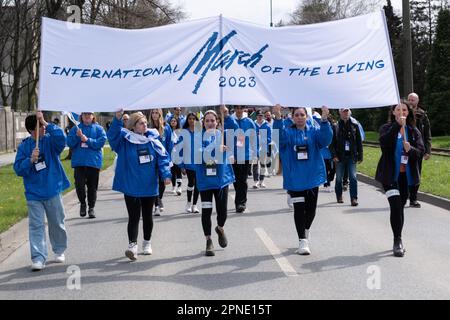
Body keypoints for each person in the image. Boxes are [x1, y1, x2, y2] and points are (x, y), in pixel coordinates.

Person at [107, 110, 171, 260]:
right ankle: (132, 245)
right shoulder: (124, 141)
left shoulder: (153, 140)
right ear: (133, 126)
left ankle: (147, 243)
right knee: (134, 216)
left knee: (148, 216)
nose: (145, 126)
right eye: (141, 123)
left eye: (145, 123)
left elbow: (162, 158)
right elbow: (112, 136)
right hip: (131, 185)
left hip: (149, 185)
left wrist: (166, 175)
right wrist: (117, 119)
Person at [273, 104, 332, 255]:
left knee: (311, 210)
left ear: (307, 117)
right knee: (299, 209)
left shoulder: (314, 131)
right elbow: (277, 138)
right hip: (295, 179)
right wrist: (278, 118)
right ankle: (302, 241)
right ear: (292, 117)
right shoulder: (287, 132)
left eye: (302, 115)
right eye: (297, 115)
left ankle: (305, 230)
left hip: (312, 177)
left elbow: (325, 140)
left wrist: (325, 119)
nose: (299, 117)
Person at [14, 112, 70, 271]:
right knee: (36, 226)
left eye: (43, 126)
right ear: (32, 131)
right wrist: (30, 160)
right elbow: (18, 169)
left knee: (57, 222)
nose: (44, 129)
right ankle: (38, 257)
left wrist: (45, 122)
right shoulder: (24, 147)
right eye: (40, 127)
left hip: (52, 189)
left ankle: (59, 250)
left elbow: (62, 139)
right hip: (33, 194)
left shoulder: (50, 142)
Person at [375, 101, 424, 257]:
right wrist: (397, 126)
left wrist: (411, 149)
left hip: (405, 177)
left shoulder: (413, 130)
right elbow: (384, 144)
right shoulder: (386, 128)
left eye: (404, 109)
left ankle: (398, 235)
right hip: (390, 176)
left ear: (408, 113)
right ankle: (398, 241)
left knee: (400, 207)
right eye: (398, 109)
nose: (401, 112)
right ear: (394, 113)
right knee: (396, 206)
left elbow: (420, 152)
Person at [193, 107, 235, 256]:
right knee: (206, 211)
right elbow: (196, 155)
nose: (210, 123)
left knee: (222, 211)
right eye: (207, 120)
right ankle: (208, 240)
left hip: (221, 180)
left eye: (213, 120)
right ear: (203, 123)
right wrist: (215, 149)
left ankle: (220, 228)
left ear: (217, 122)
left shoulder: (223, 135)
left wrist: (227, 114)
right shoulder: (198, 137)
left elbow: (235, 131)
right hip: (205, 181)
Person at [67, 111, 106, 218]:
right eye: (85, 114)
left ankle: (91, 208)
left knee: (92, 187)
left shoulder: (99, 129)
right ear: (81, 116)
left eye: (89, 114)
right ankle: (82, 203)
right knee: (79, 186)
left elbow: (101, 142)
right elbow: (69, 143)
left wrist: (87, 140)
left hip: (93, 163)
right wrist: (77, 136)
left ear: (93, 116)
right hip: (79, 163)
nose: (87, 116)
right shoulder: (76, 128)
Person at [225, 105, 257, 213]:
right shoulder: (229, 121)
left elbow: (253, 139)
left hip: (245, 155)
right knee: (236, 180)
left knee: (242, 180)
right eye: (237, 108)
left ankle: (241, 203)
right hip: (232, 155)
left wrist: (255, 154)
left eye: (241, 108)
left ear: (243, 109)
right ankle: (239, 201)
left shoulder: (249, 122)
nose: (239, 110)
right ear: (234, 109)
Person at [329, 108, 363, 206]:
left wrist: (360, 155)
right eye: (343, 111)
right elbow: (331, 144)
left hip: (352, 156)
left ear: (349, 113)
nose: (345, 113)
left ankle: (354, 198)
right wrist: (334, 155)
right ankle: (339, 195)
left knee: (353, 177)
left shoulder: (354, 125)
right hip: (339, 157)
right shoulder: (335, 126)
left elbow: (359, 142)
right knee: (339, 178)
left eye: (347, 111)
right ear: (340, 113)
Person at [407, 92, 432, 208]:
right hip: (404, 149)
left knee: (416, 174)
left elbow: (427, 135)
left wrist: (428, 151)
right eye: (409, 99)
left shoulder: (423, 115)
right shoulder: (403, 112)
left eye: (413, 100)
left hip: (418, 150)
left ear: (417, 101)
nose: (411, 102)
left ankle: (413, 199)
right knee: (404, 173)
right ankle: (403, 195)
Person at [149, 108, 173, 216]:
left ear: (160, 114)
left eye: (156, 113)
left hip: (163, 159)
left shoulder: (166, 127)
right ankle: (156, 205)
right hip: (151, 159)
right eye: (153, 113)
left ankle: (159, 198)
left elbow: (169, 144)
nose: (154, 115)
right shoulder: (147, 127)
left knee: (163, 182)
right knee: (154, 181)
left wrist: (169, 159)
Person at [176, 112, 201, 213]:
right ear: (187, 120)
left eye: (194, 119)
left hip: (199, 163)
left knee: (198, 184)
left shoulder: (200, 132)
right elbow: (179, 149)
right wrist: (181, 165)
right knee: (191, 183)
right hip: (188, 163)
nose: (192, 120)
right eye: (190, 119)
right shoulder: (184, 133)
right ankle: (188, 203)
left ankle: (195, 205)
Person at [252, 110, 272, 189]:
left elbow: (270, 137)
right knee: (255, 165)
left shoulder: (267, 125)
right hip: (254, 148)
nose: (260, 117)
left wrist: (264, 139)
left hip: (263, 147)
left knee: (263, 165)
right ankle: (256, 182)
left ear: (263, 116)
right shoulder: (253, 124)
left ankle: (262, 181)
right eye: (258, 115)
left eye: (261, 115)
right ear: (256, 116)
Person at [168, 117, 183, 196]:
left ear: (177, 122)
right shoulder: (168, 131)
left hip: (179, 153)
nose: (173, 122)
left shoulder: (180, 131)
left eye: (174, 121)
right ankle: (173, 186)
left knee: (178, 170)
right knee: (172, 171)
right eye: (172, 121)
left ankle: (179, 187)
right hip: (171, 153)